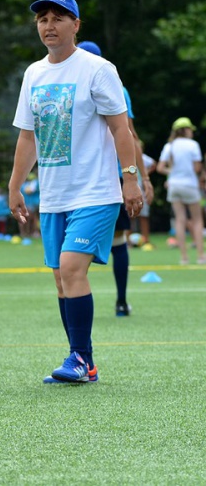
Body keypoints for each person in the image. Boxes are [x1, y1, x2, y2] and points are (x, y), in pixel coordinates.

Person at [9, 0, 142, 384]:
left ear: (75, 25)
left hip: (96, 192)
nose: (49, 26)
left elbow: (122, 128)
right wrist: (15, 186)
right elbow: (27, 138)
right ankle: (81, 362)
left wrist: (130, 178)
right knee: (60, 278)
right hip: (53, 194)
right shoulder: (34, 74)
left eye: (58, 18)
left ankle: (81, 359)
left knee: (71, 268)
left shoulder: (98, 69)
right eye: (42, 20)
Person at [77, 40, 154, 317]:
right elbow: (131, 135)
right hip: (109, 173)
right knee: (118, 240)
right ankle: (121, 301)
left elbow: (127, 134)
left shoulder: (70, 79)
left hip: (90, 174)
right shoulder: (114, 83)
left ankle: (81, 299)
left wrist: (140, 178)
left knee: (75, 246)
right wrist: (143, 178)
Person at [157, 117, 205, 265]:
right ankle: (200, 256)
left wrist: (172, 172)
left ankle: (184, 257)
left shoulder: (169, 146)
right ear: (185, 130)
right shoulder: (192, 145)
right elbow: (197, 168)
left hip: (174, 185)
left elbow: (160, 168)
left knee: (180, 220)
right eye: (190, 129)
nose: (191, 132)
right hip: (189, 184)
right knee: (197, 220)